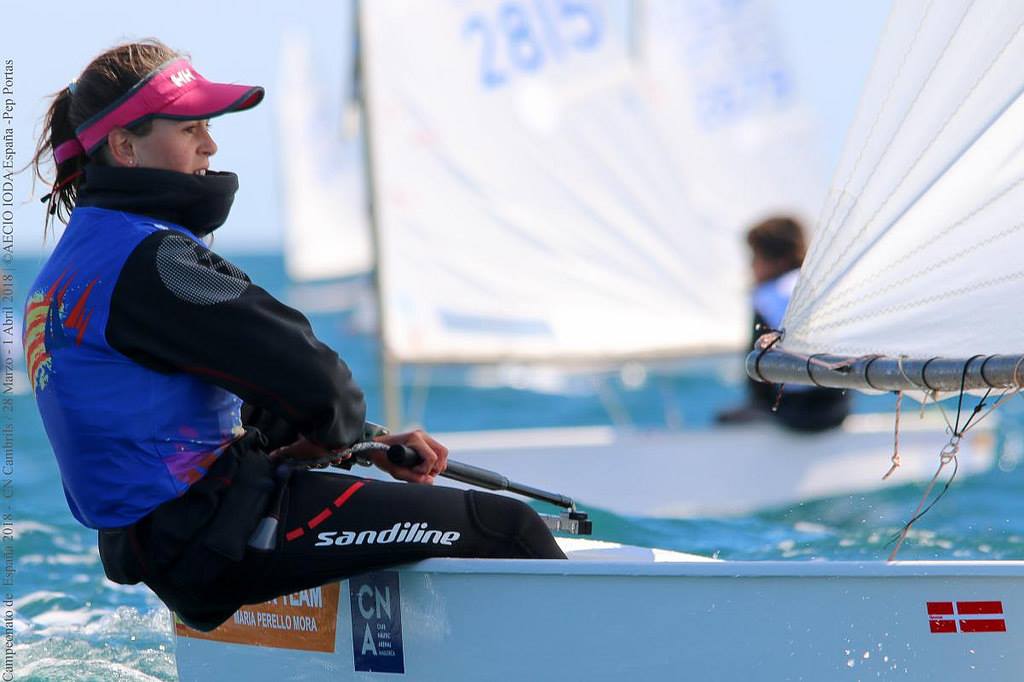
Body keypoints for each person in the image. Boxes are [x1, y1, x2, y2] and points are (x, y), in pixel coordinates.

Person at [26, 40, 565, 633]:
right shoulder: (154, 261)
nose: (211, 145)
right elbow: (319, 384)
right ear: (125, 147)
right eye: (191, 129)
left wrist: (362, 444)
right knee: (507, 528)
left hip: (164, 543)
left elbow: (203, 397)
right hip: (217, 534)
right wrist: (331, 427)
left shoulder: (66, 274)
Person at [715, 216, 850, 432]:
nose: (750, 265)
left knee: (722, 418)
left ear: (779, 260)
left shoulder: (766, 295)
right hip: (836, 408)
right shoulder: (822, 287)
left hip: (793, 413)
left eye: (755, 257)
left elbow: (757, 365)